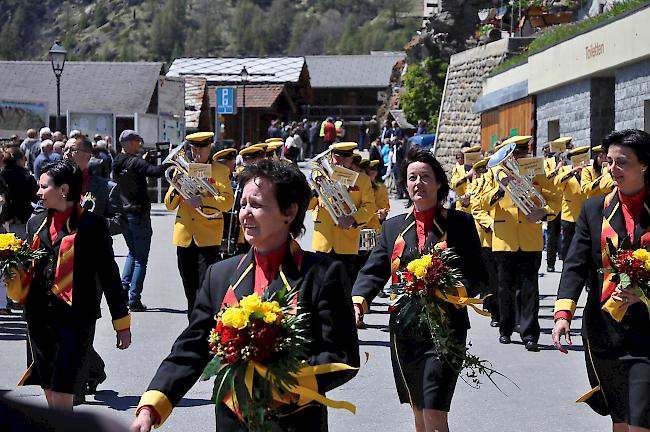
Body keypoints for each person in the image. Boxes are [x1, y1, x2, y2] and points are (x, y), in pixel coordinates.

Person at [131, 159, 359, 432]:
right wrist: (150, 408)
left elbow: (343, 357)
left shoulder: (323, 274)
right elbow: (191, 348)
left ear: (289, 212)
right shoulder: (220, 275)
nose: (245, 214)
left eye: (257, 205)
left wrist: (281, 381)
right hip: (232, 422)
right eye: (243, 205)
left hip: (295, 422)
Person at [352, 148, 487, 432]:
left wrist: (450, 286)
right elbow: (374, 270)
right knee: (418, 410)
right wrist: (358, 301)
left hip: (446, 327)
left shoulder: (460, 224)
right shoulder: (392, 228)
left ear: (439, 183)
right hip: (404, 330)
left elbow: (478, 272)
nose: (418, 184)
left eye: (425, 177)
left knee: (435, 408)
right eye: (412, 178)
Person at [553, 129, 650, 432]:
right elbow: (575, 265)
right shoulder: (594, 209)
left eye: (622, 162)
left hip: (647, 332)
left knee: (640, 418)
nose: (612, 169)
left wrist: (645, 294)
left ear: (644, 164)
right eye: (609, 162)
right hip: (604, 332)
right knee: (620, 420)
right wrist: (562, 314)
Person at [16, 160, 131, 411]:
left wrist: (121, 323)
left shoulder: (92, 226)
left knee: (65, 386)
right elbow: (29, 268)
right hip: (39, 318)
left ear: (64, 189)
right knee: (48, 384)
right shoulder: (36, 224)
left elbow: (110, 276)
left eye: (44, 187)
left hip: (75, 319)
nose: (38, 192)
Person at [479, 136, 560, 351]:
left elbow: (554, 199)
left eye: (523, 152)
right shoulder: (494, 174)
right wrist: (499, 189)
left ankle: (530, 334)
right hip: (504, 239)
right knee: (505, 288)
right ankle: (505, 329)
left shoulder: (537, 172)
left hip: (530, 239)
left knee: (530, 288)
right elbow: (481, 202)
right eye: (515, 153)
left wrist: (544, 213)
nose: (518, 157)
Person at [62, 136, 127, 404]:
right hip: (62, 262)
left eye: (72, 149)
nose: (66, 152)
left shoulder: (104, 187)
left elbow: (119, 221)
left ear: (87, 155)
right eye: (64, 148)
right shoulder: (56, 182)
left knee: (84, 321)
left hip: (93, 263)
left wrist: (91, 228)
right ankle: (92, 369)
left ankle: (82, 379)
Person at [164, 132, 234, 318]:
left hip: (208, 237)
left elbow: (227, 202)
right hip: (185, 237)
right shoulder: (183, 170)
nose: (196, 153)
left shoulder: (219, 170)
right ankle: (193, 329)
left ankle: (204, 329)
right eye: (193, 148)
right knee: (189, 290)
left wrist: (202, 201)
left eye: (200, 148)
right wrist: (177, 186)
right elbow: (169, 205)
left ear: (209, 147)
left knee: (204, 289)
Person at [112, 130, 168, 311]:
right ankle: (134, 299)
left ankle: (122, 291)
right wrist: (168, 160)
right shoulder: (135, 161)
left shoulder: (118, 161)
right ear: (128, 143)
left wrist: (145, 161)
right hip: (138, 213)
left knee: (132, 253)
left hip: (123, 212)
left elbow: (139, 172)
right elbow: (156, 172)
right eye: (137, 141)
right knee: (141, 258)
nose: (139, 144)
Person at [310, 142, 375, 289]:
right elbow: (307, 206)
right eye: (337, 157)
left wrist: (353, 218)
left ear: (352, 159)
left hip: (347, 242)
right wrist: (315, 190)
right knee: (321, 287)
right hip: (323, 241)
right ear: (331, 157)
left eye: (345, 158)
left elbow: (370, 207)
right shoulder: (320, 176)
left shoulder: (361, 180)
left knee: (343, 287)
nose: (340, 162)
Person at [554, 144, 589, 261]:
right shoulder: (565, 170)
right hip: (569, 215)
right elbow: (557, 182)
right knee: (567, 245)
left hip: (585, 215)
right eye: (577, 158)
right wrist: (571, 172)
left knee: (585, 246)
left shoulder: (589, 170)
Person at [1, 147, 38, 240]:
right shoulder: (26, 177)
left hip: (5, 218)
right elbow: (35, 197)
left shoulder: (2, 175)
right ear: (19, 160)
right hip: (22, 217)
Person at [449, 143, 475, 211]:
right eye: (460, 157)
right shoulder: (458, 169)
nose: (461, 159)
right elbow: (454, 185)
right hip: (462, 208)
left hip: (476, 207)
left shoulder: (477, 168)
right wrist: (467, 176)